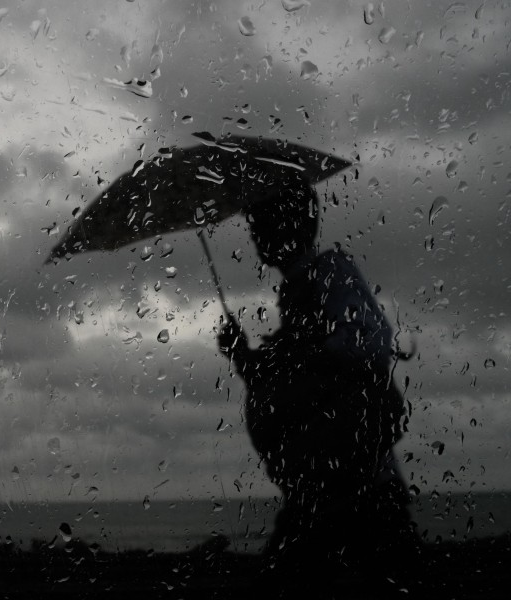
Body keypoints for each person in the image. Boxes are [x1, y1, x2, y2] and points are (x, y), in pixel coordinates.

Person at [217, 169, 420, 597]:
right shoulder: (296, 291)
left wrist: (295, 350)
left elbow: (371, 342)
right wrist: (243, 355)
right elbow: (295, 388)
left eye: (263, 222)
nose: (255, 234)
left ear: (294, 224)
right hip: (322, 485)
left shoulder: (329, 272)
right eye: (254, 224)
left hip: (355, 485)